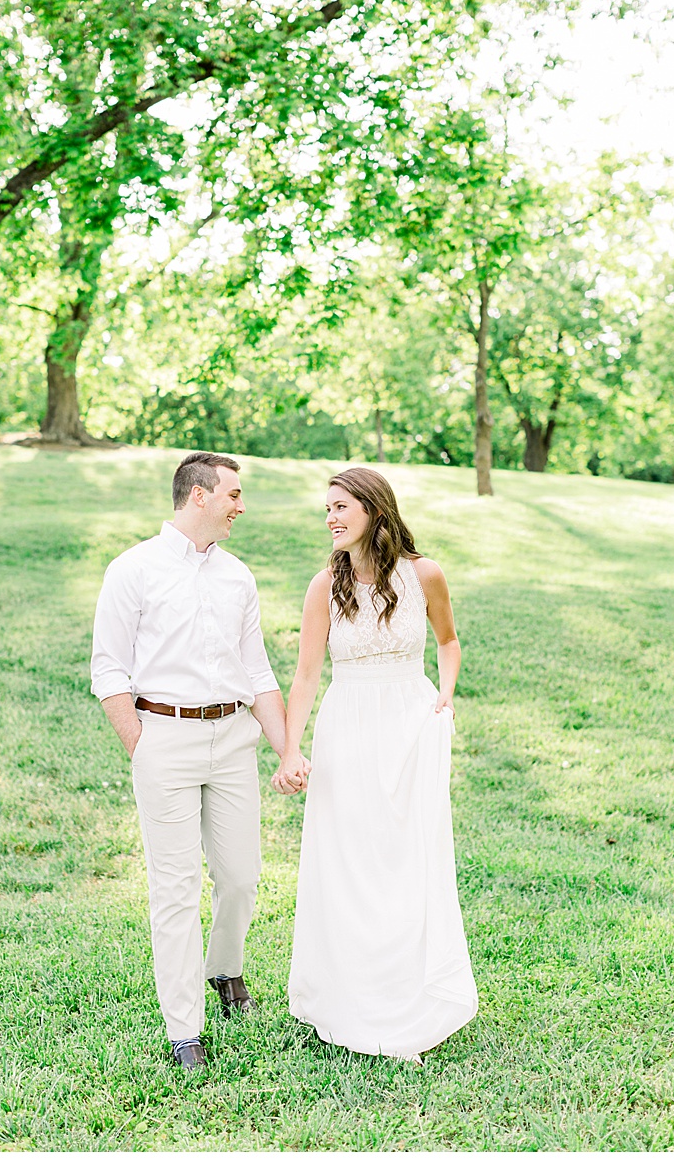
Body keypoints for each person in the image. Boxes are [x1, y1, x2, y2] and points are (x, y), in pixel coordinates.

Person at [91, 451, 301, 1070]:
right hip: (164, 738)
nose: (242, 507)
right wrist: (143, 745)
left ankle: (225, 969)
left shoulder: (238, 577)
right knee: (176, 888)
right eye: (234, 494)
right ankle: (184, 1028)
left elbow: (258, 672)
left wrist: (288, 749)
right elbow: (109, 670)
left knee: (241, 876)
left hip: (233, 740)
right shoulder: (133, 569)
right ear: (199, 495)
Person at [277, 467, 478, 1060]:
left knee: (406, 856)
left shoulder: (424, 574)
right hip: (348, 728)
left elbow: (448, 642)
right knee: (350, 859)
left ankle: (409, 992)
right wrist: (291, 748)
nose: (331, 518)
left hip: (410, 727)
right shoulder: (324, 586)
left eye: (341, 507)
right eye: (327, 509)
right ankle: (351, 993)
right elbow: (306, 674)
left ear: (374, 509)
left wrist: (445, 695)